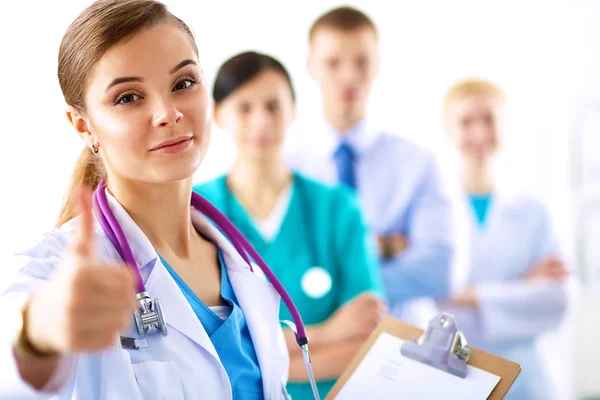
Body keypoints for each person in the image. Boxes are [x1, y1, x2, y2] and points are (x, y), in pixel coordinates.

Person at [0, 1, 291, 398]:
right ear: (84, 126)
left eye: (183, 83)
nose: (167, 113)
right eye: (128, 97)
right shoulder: (58, 269)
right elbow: (13, 359)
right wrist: (37, 334)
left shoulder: (238, 260)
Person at [194, 51, 386, 400]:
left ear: (293, 110)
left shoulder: (337, 207)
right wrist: (327, 331)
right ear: (219, 115)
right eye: (245, 108)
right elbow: (204, 349)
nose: (261, 120)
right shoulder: (196, 211)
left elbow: (368, 337)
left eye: (273, 106)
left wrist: (258, 354)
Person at [285, 6, 456, 321]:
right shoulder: (287, 167)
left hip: (407, 340)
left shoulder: (418, 161)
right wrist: (386, 246)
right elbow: (284, 268)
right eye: (333, 62)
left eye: (361, 61)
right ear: (311, 66)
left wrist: (330, 277)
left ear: (377, 64)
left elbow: (440, 271)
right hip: (323, 348)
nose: (349, 75)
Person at [439, 79, 574, 399]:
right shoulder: (434, 210)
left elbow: (558, 300)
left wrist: (467, 296)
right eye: (466, 121)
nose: (479, 132)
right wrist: (522, 287)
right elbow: (425, 302)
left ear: (506, 126)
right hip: (454, 378)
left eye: (489, 119)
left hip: (529, 380)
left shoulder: (535, 212)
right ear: (448, 129)